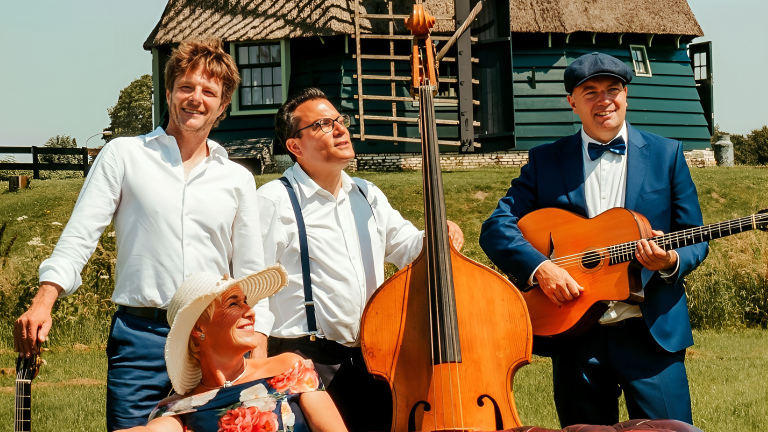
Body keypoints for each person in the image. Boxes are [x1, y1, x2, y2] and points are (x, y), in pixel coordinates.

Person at [13, 39, 273, 431]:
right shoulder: (124, 155)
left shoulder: (237, 179)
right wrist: (44, 299)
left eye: (209, 92)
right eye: (186, 86)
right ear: (169, 92)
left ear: (222, 107)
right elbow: (81, 234)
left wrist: (256, 348)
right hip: (140, 339)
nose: (195, 98)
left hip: (214, 338)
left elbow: (252, 271)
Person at [479, 52, 709, 427]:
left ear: (626, 95)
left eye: (613, 89)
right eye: (590, 92)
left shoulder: (668, 155)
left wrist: (670, 262)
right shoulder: (545, 161)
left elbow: (695, 237)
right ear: (572, 102)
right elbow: (496, 227)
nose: (604, 100)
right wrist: (541, 268)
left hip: (650, 334)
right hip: (574, 335)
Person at [257, 87, 464, 431]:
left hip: (372, 358)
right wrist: (258, 365)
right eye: (323, 124)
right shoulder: (274, 201)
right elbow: (256, 291)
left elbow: (409, 248)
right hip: (306, 359)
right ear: (295, 146)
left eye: (340, 120)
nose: (340, 129)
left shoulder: (367, 194)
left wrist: (441, 236)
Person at [117, 266, 347, 432]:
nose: (250, 311)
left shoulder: (289, 369)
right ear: (198, 328)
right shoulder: (179, 409)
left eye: (246, 301)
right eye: (233, 303)